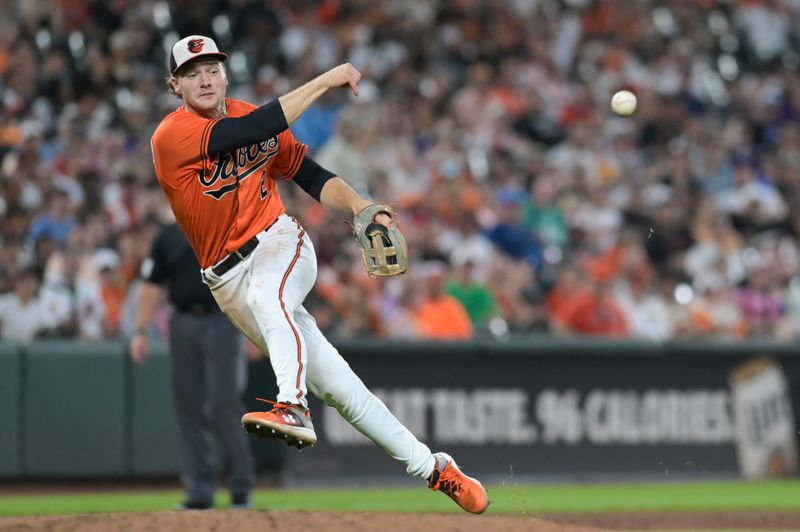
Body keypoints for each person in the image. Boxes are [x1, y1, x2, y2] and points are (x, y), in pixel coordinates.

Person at [149, 35, 488, 514]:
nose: (203, 79)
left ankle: (291, 403)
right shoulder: (172, 135)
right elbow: (254, 129)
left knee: (271, 295)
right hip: (226, 283)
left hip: (278, 243)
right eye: (191, 73)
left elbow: (308, 174)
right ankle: (435, 468)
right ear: (175, 86)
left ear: (225, 74)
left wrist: (360, 205)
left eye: (212, 69)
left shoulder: (249, 115)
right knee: (342, 390)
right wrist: (328, 79)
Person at [129, 221, 255, 510]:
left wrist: (254, 329)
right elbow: (152, 283)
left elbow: (252, 277)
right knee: (188, 406)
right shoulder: (170, 234)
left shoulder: (229, 227)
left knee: (223, 403)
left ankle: (241, 487)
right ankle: (200, 491)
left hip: (223, 318)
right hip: (183, 320)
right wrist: (140, 330)